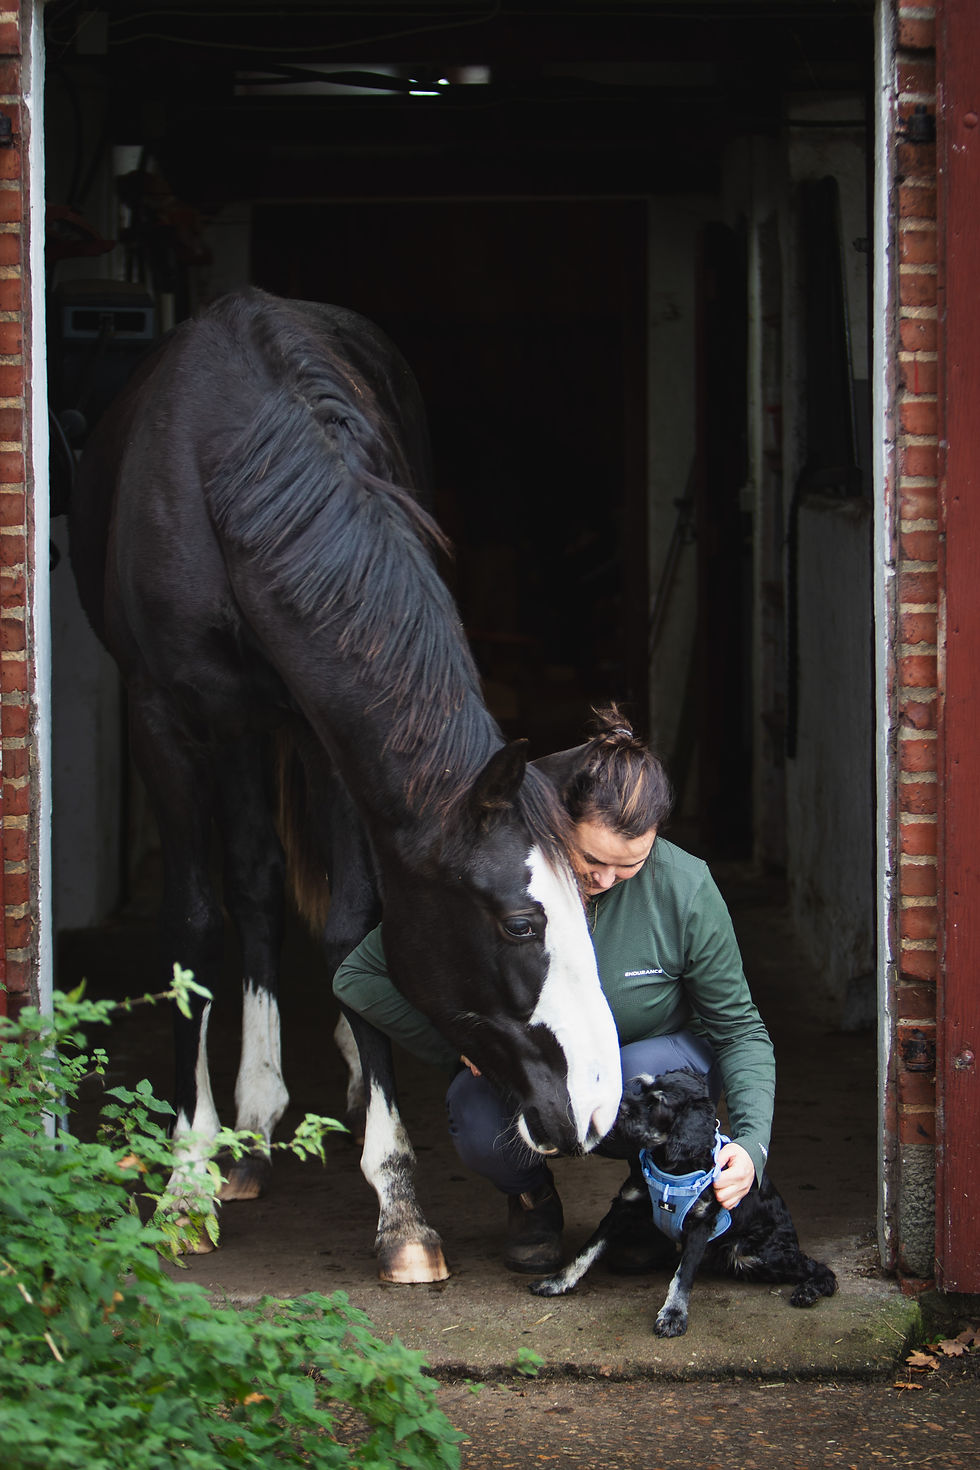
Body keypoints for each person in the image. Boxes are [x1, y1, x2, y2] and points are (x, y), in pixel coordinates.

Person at [332, 706, 775, 1274]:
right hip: (542, 1068)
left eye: (629, 864)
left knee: (641, 1072)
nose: (605, 880)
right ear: (560, 821)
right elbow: (359, 975)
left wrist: (752, 1147)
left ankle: (646, 1197)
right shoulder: (511, 878)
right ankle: (530, 1199)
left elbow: (740, 1030)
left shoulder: (686, 888)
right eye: (591, 859)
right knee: (474, 1110)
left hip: (650, 1063)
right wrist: (458, 1039)